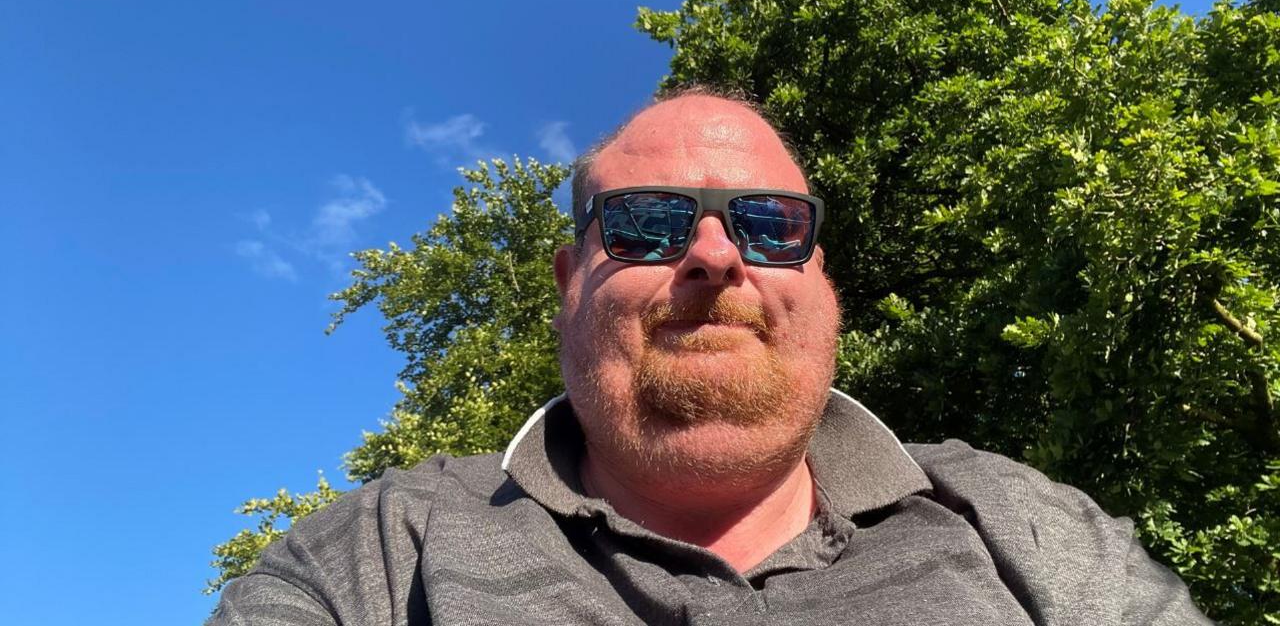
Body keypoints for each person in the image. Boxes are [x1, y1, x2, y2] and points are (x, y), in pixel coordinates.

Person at [209, 91, 1211, 625]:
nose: (714, 255)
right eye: (647, 224)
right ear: (569, 280)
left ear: (818, 278)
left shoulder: (1019, 526)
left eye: (769, 225)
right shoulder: (381, 555)